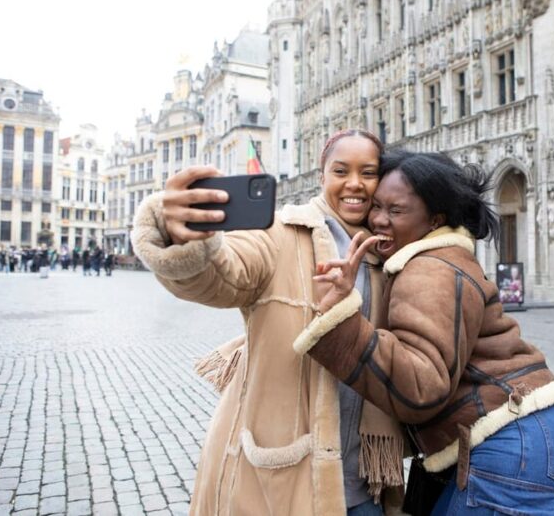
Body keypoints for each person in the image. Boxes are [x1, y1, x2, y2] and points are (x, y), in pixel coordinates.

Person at [296, 151, 554, 515]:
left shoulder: (428, 268)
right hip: (538, 442)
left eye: (396, 210)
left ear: (434, 219)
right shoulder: (447, 257)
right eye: (377, 207)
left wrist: (341, 323)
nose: (379, 219)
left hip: (516, 451)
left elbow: (421, 387)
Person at [130, 129, 405, 516]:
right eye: (341, 171)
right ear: (322, 176)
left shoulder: (388, 254)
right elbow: (221, 274)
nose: (355, 183)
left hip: (362, 485)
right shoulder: (280, 233)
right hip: (285, 480)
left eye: (369, 172)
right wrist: (182, 236)